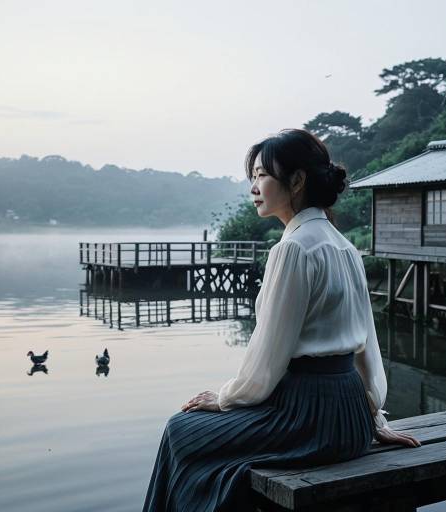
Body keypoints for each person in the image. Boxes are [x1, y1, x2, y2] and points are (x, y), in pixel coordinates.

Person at [142, 128, 421, 512]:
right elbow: (367, 347)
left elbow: (267, 359)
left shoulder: (292, 249)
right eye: (252, 177)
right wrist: (373, 417)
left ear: (297, 180)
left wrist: (225, 398)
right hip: (351, 421)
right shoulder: (344, 247)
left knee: (181, 430)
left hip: (308, 418)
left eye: (261, 175)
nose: (253, 187)